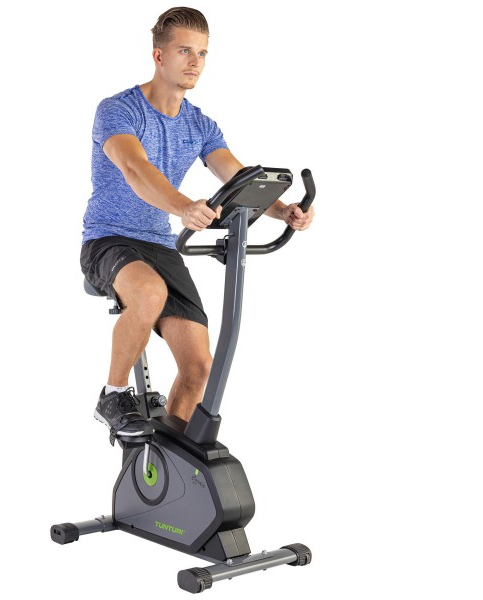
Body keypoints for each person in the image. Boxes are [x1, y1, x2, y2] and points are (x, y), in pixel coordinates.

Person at [80, 7, 314, 442]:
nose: (195, 62)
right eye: (184, 51)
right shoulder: (118, 110)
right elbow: (135, 169)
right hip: (109, 239)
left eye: (202, 53)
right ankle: (111, 396)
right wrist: (184, 206)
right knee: (149, 293)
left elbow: (236, 175)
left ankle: (166, 458)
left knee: (199, 366)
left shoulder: (199, 124)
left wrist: (283, 210)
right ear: (158, 55)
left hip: (160, 245)